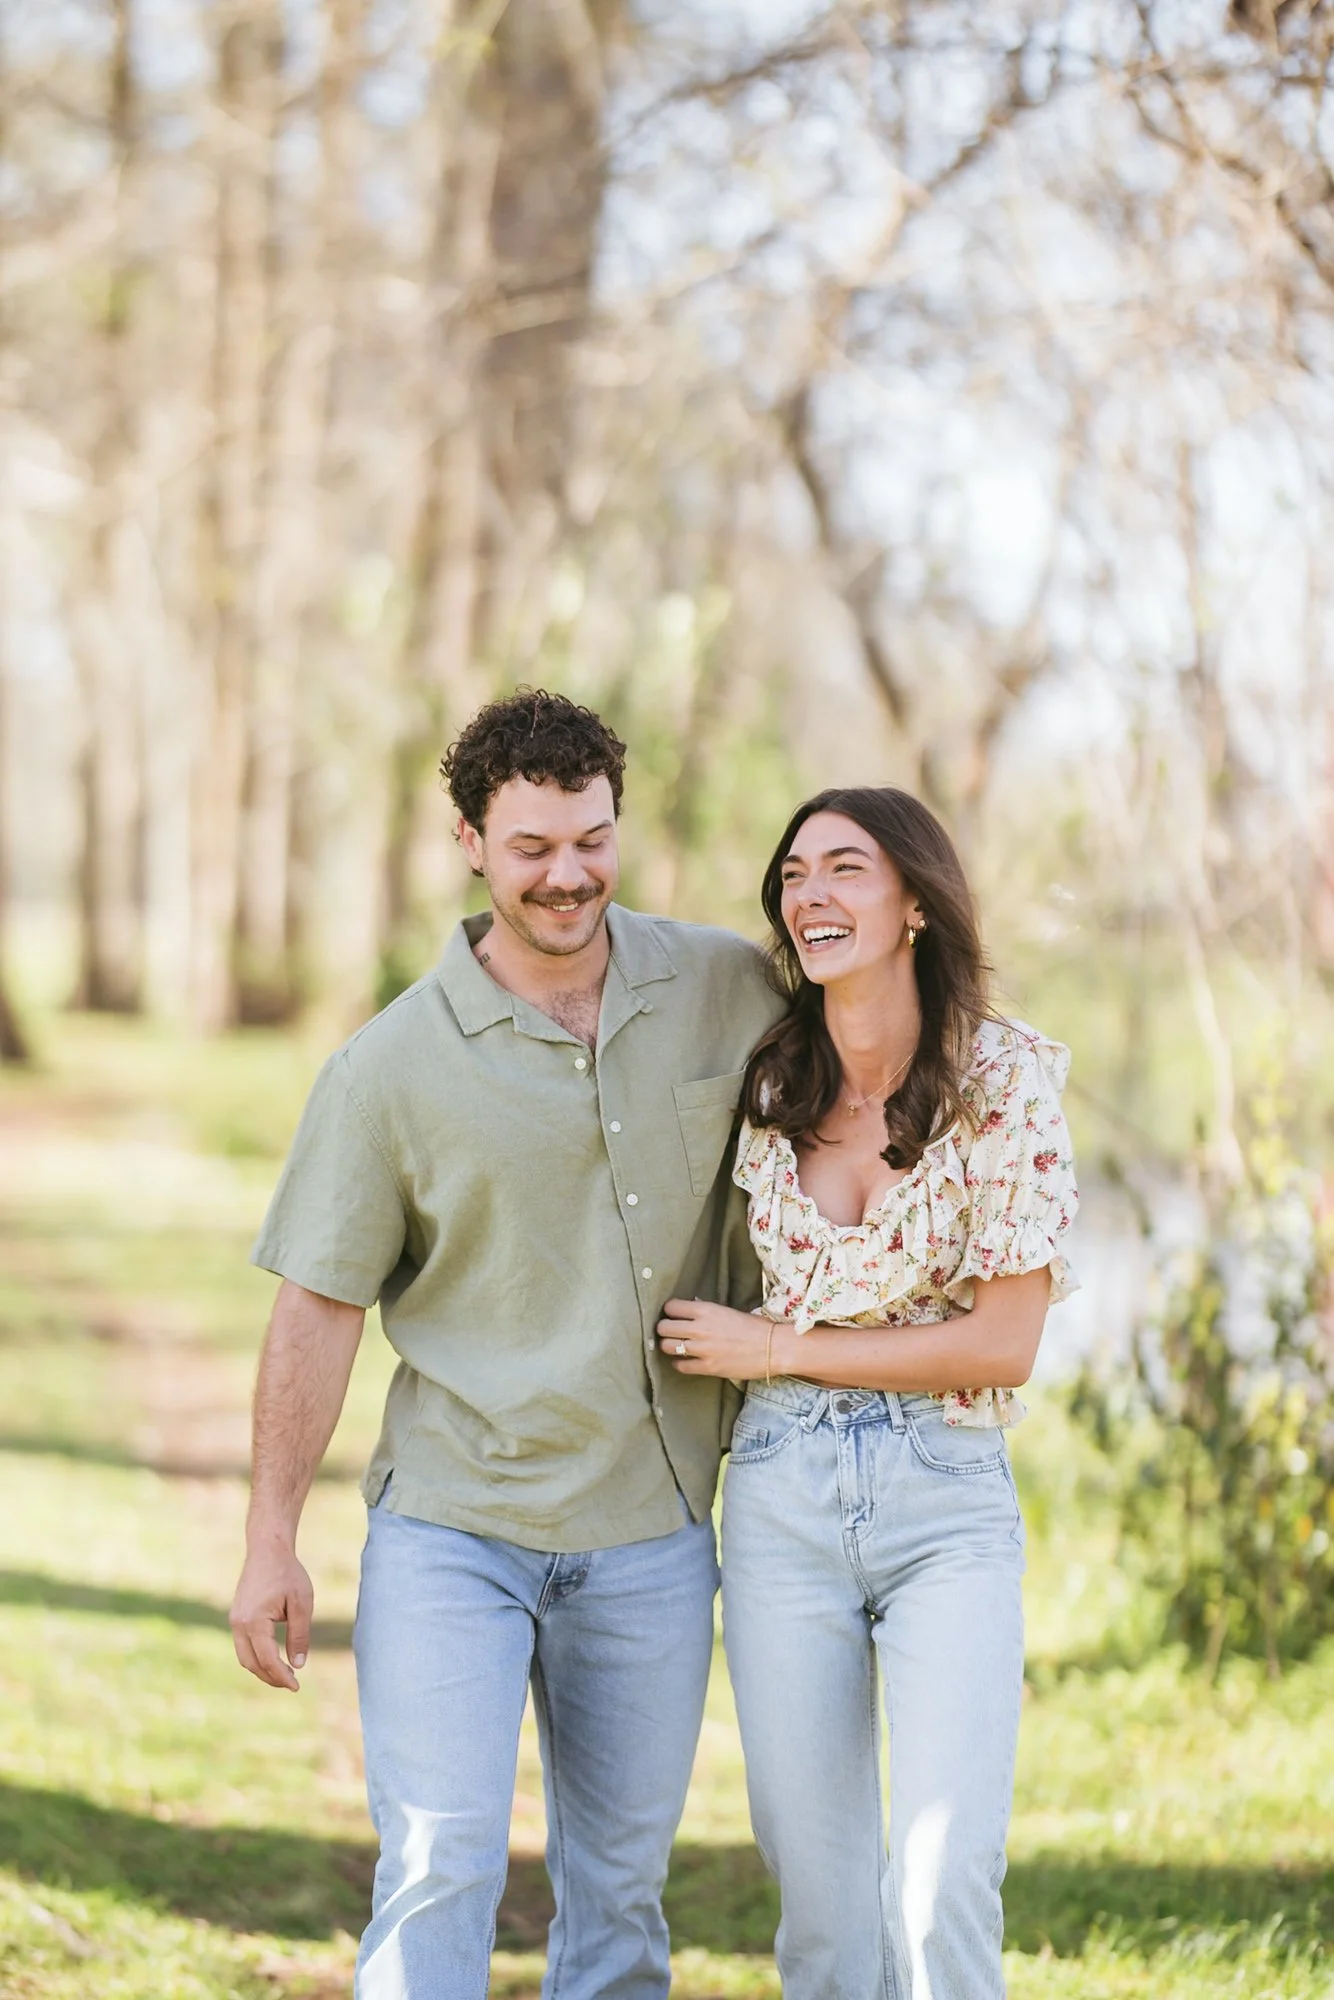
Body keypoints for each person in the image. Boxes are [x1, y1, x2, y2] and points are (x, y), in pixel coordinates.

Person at [228, 689, 782, 2000]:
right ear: (471, 842)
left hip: (650, 1535)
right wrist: (269, 1539)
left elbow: (866, 1058)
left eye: (589, 839)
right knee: (441, 1861)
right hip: (452, 1530)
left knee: (620, 1895)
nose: (567, 875)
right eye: (531, 847)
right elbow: (316, 1306)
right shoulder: (386, 1070)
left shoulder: (721, 987)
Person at [657, 785, 1078, 2000]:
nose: (811, 894)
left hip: (943, 1494)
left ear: (912, 906)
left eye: (845, 867)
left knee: (941, 1878)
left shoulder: (1002, 1079)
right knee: (825, 1911)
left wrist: (777, 1345)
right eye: (793, 874)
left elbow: (1000, 1342)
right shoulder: (767, 1076)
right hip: (781, 1498)